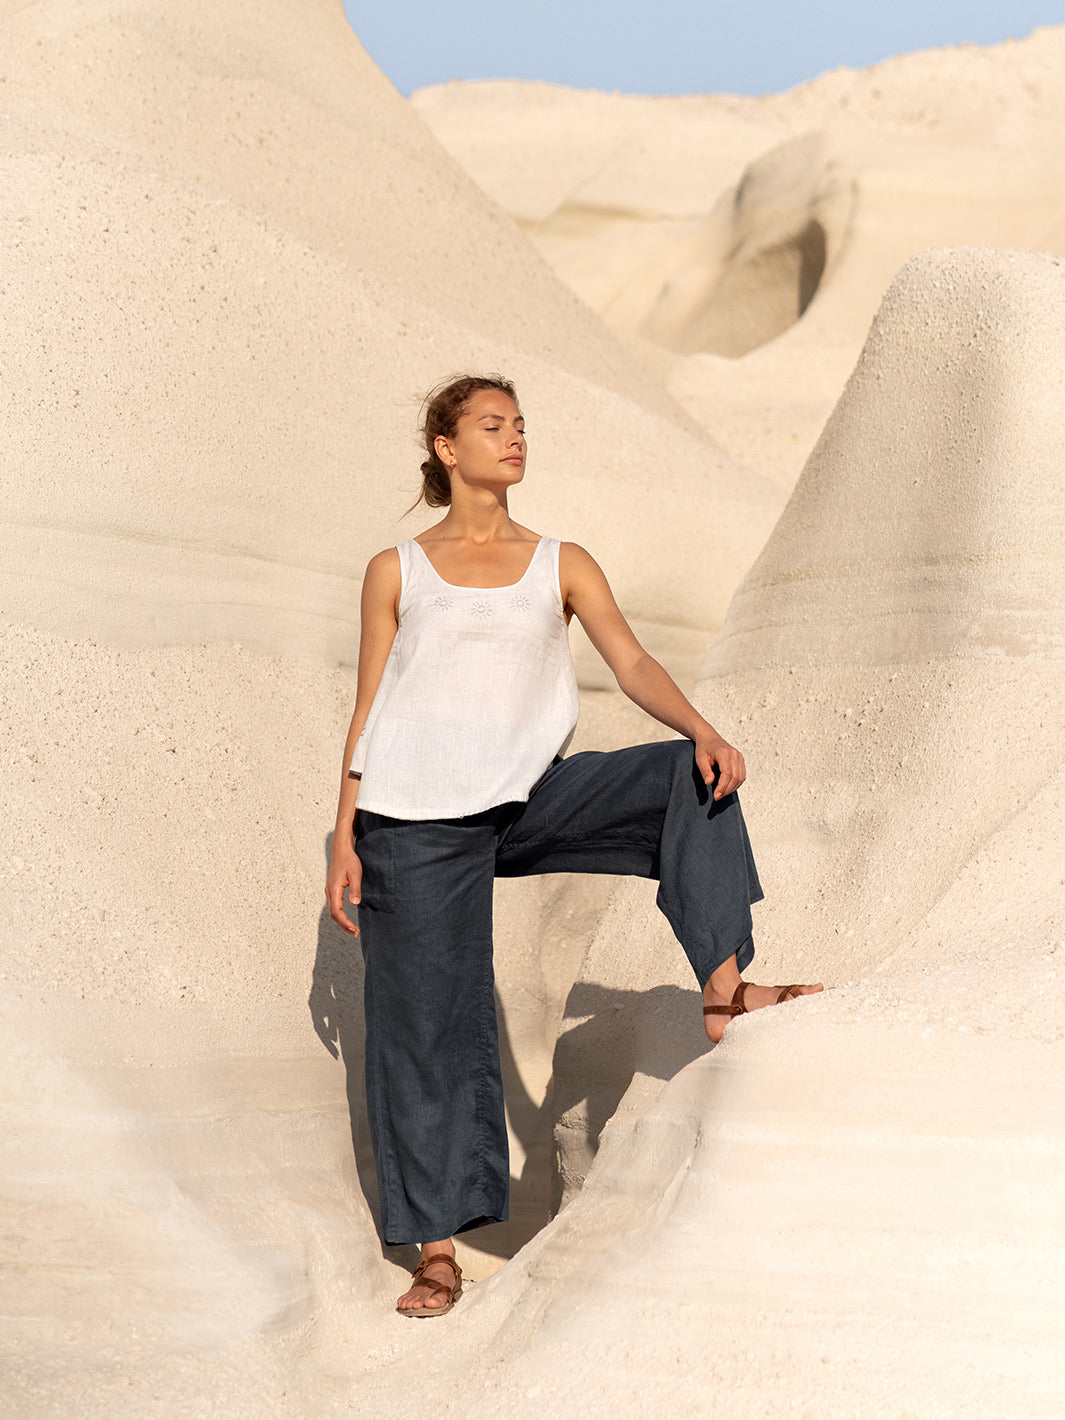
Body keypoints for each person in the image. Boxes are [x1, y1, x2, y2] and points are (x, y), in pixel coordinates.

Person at [325, 373, 821, 1318]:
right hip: (416, 817)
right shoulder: (398, 570)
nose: (512, 439)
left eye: (519, 426)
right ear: (446, 448)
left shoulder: (561, 561)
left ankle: (724, 989)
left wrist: (706, 729)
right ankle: (438, 1252)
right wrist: (345, 834)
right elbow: (369, 709)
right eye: (490, 425)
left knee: (684, 773)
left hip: (532, 797)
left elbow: (628, 660)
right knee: (426, 1024)